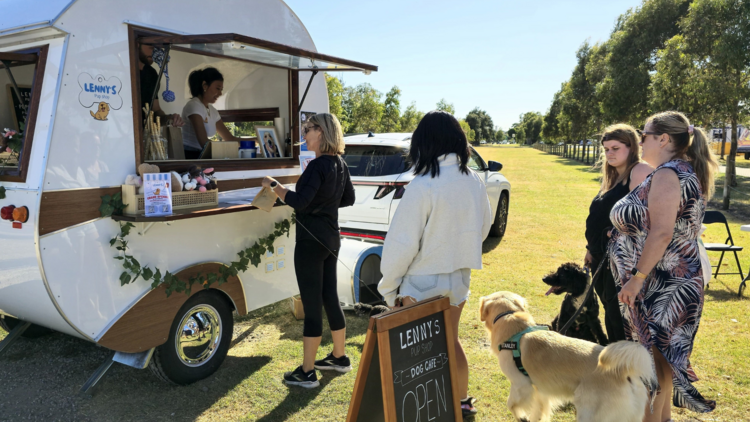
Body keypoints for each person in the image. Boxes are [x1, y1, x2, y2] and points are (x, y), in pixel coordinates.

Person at [377, 111, 492, 417]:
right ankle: (462, 402)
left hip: (421, 283)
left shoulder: (423, 184)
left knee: (418, 356)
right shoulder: (474, 180)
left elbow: (402, 245)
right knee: (450, 342)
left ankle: (429, 409)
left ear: (423, 143)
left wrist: (388, 290)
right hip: (459, 278)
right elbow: (483, 228)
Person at [609, 111, 718, 421]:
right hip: (665, 281)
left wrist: (637, 278)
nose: (640, 141)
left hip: (664, 284)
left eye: (644, 136)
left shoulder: (669, 173)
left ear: (664, 139)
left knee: (654, 365)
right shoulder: (679, 170)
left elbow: (662, 232)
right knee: (660, 363)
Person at [262, 113, 355, 388]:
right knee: (329, 296)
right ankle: (339, 357)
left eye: (308, 129)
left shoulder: (317, 166)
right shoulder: (340, 163)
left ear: (322, 133)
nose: (304, 133)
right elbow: (348, 198)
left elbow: (300, 202)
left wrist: (274, 186)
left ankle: (307, 372)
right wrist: (325, 204)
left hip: (311, 243)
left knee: (312, 304)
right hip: (331, 238)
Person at [584, 124, 652, 344]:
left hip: (622, 261)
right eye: (605, 149)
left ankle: (628, 371)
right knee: (611, 316)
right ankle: (618, 371)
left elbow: (647, 217)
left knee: (622, 319)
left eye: (615, 148)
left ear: (631, 147)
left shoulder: (639, 171)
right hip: (600, 258)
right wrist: (589, 249)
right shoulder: (613, 175)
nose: (609, 153)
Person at [181, 67, 241, 159]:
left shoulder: (212, 110)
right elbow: (204, 143)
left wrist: (257, 140)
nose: (220, 93)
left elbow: (230, 138)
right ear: (205, 86)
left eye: (221, 89)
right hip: (190, 156)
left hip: (202, 155)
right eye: (218, 88)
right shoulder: (194, 105)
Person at [138, 43, 183, 127]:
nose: (155, 51)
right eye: (151, 47)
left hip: (143, 134)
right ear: (137, 44)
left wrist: (169, 119)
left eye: (158, 48)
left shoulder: (151, 73)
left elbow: (156, 110)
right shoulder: (123, 71)